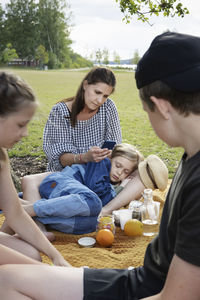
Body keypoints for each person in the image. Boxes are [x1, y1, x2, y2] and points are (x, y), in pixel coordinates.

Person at [2, 31, 200, 300]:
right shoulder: (190, 157)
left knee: (11, 278)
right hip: (136, 273)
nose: (101, 99)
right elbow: (58, 155)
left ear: (161, 107)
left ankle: (34, 201)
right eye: (98, 92)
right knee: (9, 277)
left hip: (143, 286)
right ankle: (36, 199)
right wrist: (85, 158)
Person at [0, 71, 69, 267]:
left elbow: (15, 213)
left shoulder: (1, 156)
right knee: (29, 266)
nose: (26, 133)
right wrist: (43, 271)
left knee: (32, 256)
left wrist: (56, 256)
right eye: (21, 124)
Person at [19, 143, 144, 235]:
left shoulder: (110, 182)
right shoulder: (100, 163)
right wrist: (121, 187)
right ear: (110, 158)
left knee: (92, 223)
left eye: (125, 171)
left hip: (65, 199)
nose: (119, 172)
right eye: (118, 165)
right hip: (57, 183)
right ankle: (29, 209)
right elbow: (99, 193)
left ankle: (35, 217)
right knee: (93, 201)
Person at [43, 66, 122, 171]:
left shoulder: (108, 106)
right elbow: (60, 159)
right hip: (68, 174)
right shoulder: (60, 111)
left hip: (99, 171)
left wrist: (110, 154)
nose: (99, 100)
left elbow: (115, 144)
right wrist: (85, 158)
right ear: (85, 85)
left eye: (105, 96)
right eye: (97, 92)